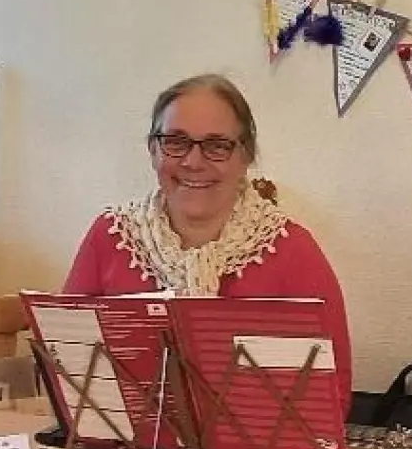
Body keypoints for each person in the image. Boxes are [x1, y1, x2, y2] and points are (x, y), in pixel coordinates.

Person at [63, 73, 352, 408]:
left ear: (246, 156)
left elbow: (334, 394)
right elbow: (67, 368)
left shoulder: (293, 250)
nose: (193, 162)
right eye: (176, 141)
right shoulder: (110, 236)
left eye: (217, 146)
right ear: (153, 150)